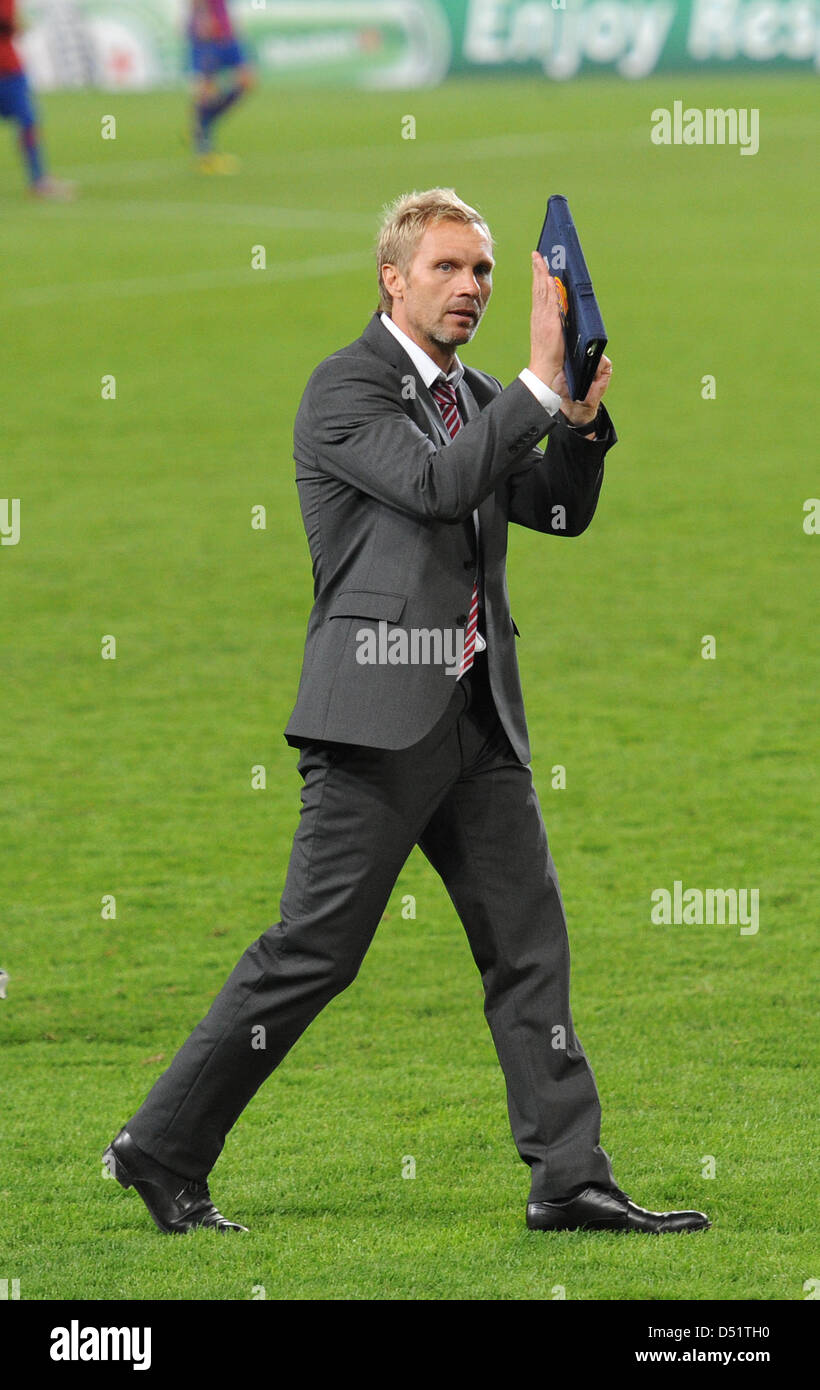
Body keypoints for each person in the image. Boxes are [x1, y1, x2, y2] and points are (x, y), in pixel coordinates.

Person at [104, 188, 710, 1238]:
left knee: (529, 947)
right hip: (376, 718)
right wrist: (529, 384)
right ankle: (158, 1147)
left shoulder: (478, 395)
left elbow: (553, 510)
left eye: (480, 269)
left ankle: (567, 1174)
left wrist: (577, 424)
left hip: (476, 716)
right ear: (392, 276)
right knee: (314, 952)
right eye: (447, 267)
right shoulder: (344, 389)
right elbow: (435, 488)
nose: (469, 286)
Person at [0, 0, 74, 198]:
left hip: (9, 69)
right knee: (28, 123)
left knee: (28, 123)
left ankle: (39, 179)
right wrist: (18, 25)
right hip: (7, 70)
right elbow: (7, 24)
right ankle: (39, 180)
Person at [188, 0, 254, 173]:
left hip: (227, 35)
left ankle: (201, 127)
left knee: (246, 81)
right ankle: (205, 154)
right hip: (208, 38)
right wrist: (202, 23)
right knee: (206, 92)